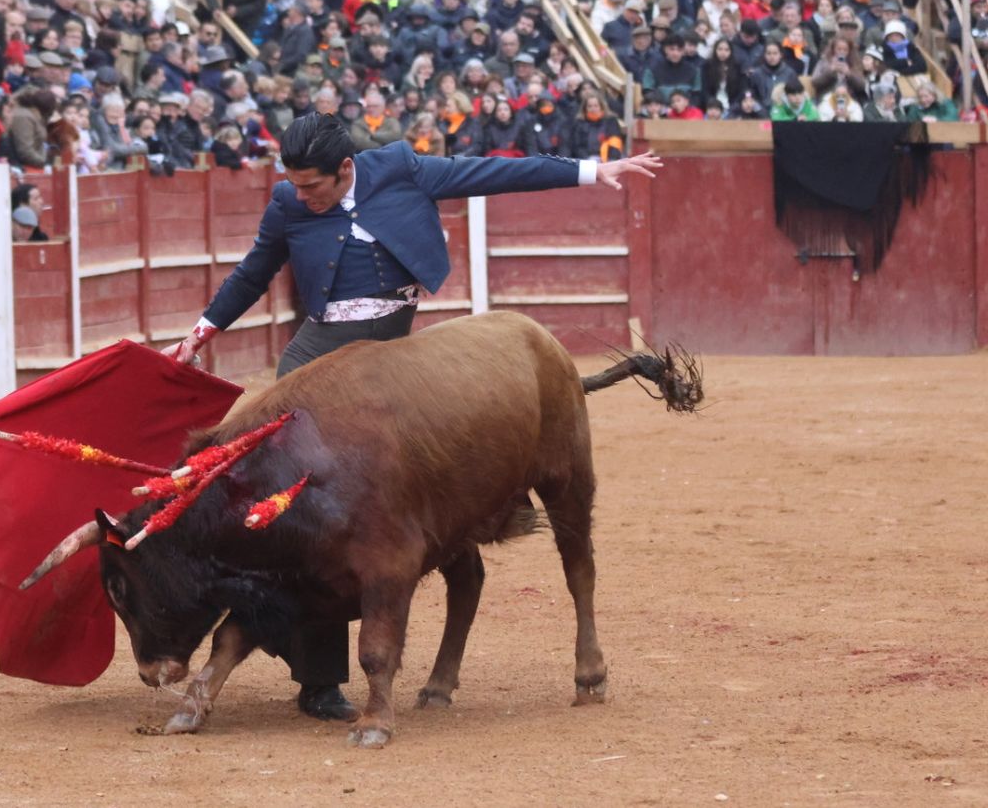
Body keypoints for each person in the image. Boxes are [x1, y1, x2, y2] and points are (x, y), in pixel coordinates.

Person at [164, 115, 662, 723]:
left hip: (386, 367)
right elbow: (253, 271)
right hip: (312, 365)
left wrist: (591, 170)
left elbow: (490, 174)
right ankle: (320, 683)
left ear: (345, 168)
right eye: (293, 183)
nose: (301, 195)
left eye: (312, 185)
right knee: (300, 514)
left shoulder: (399, 170)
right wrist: (200, 333)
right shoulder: (288, 203)